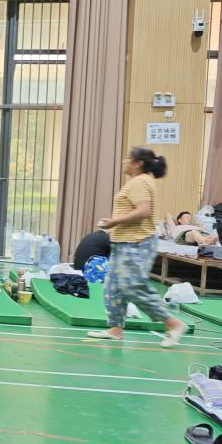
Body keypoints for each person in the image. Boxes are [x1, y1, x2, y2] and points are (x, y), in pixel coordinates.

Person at [90, 147, 187, 346]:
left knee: (131, 286)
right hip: (123, 242)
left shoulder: (140, 181)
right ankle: (116, 329)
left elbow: (144, 211)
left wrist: (114, 221)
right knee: (113, 287)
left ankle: (173, 324)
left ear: (138, 163)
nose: (124, 161)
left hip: (136, 243)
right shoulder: (138, 181)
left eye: (128, 158)